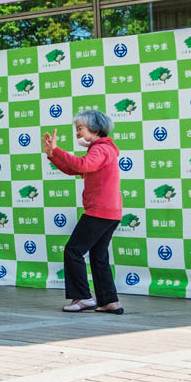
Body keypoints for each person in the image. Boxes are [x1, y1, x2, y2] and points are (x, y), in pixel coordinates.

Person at [45, 109, 123, 315]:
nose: (77, 132)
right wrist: (52, 155)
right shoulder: (103, 149)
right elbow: (76, 169)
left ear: (95, 129)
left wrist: (57, 151)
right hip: (110, 212)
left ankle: (83, 298)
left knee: (73, 250)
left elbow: (83, 165)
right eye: (77, 128)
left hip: (99, 210)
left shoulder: (101, 149)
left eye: (80, 128)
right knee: (98, 256)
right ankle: (109, 301)